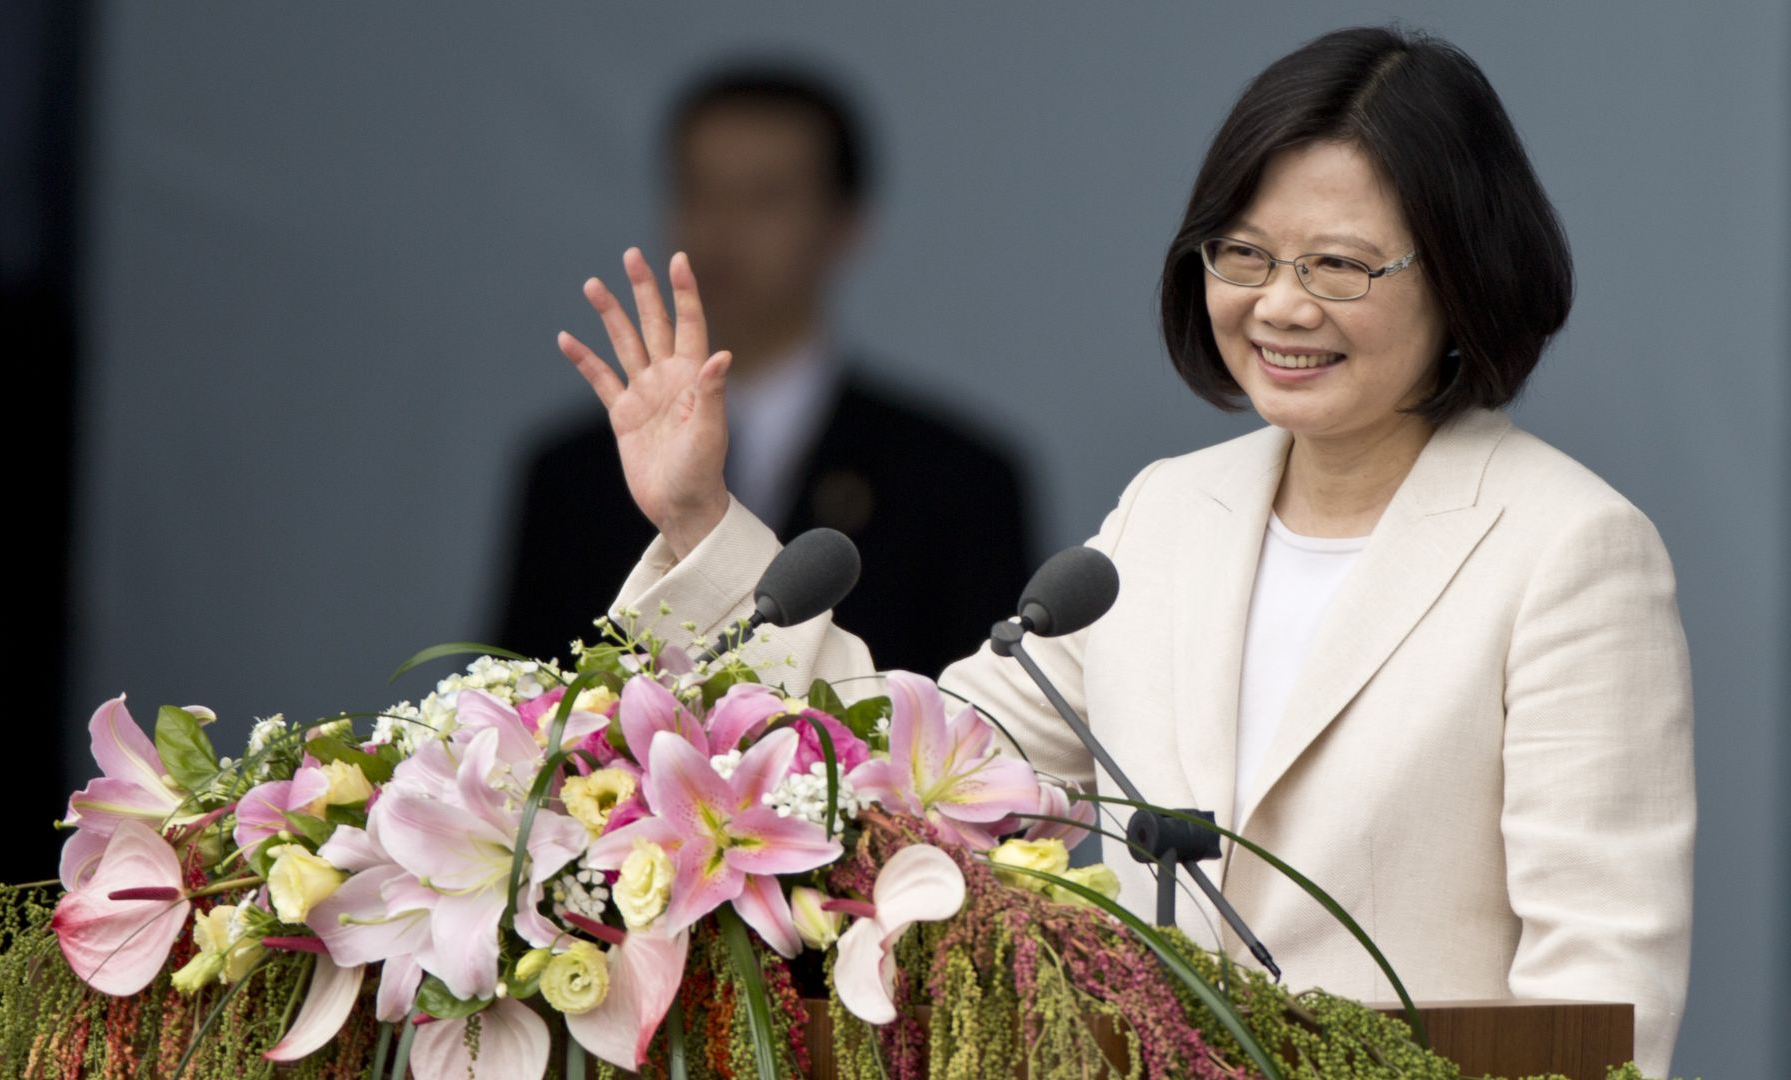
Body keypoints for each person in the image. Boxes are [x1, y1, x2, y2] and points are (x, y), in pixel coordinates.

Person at [556, 27, 1694, 1075]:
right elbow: (907, 773)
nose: (1281, 308)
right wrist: (701, 521)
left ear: (1462, 273)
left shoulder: (1569, 550)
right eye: (1243, 254)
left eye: (1340, 266)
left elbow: (1602, 999)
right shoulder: (1168, 514)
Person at [493, 64, 1032, 675]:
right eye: (702, 192)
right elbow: (520, 712)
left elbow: (982, 727)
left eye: (766, 198)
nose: (723, 232)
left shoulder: (956, 479)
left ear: (844, 225)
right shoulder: (574, 474)